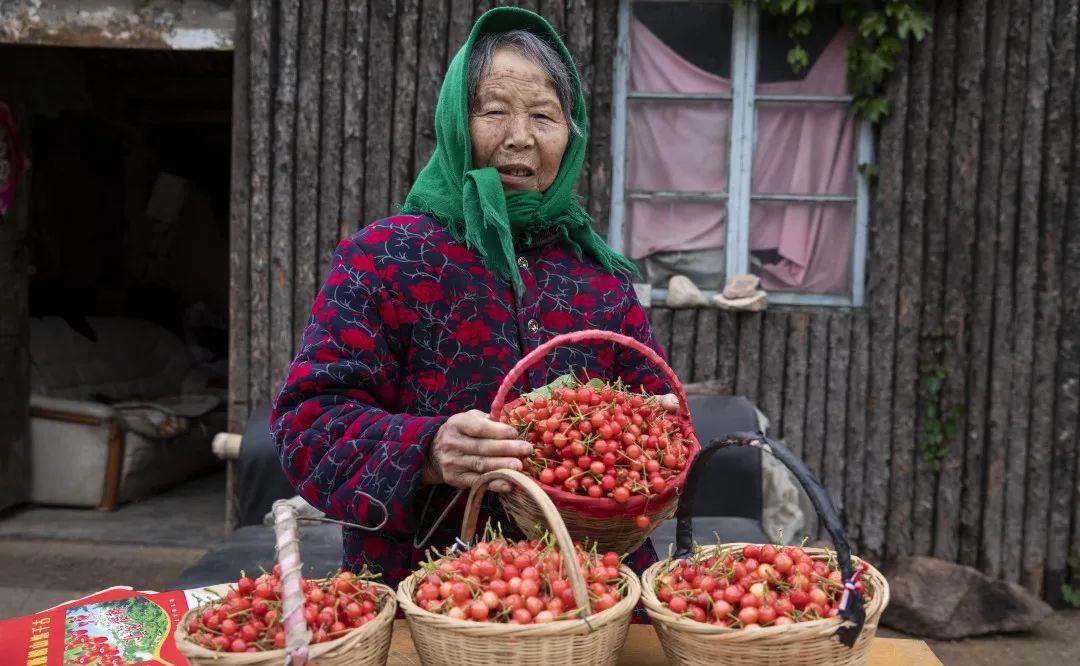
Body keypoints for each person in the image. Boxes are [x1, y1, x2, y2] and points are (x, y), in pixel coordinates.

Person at [270, 7, 677, 590]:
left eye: (544, 115)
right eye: (494, 111)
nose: (521, 137)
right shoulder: (386, 257)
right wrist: (430, 449)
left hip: (591, 594)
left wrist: (656, 435)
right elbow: (307, 427)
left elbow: (657, 424)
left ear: (571, 132)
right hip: (431, 594)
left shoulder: (600, 277)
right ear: (457, 122)